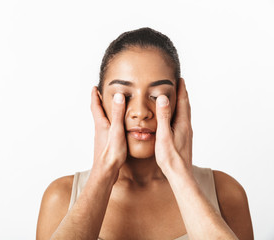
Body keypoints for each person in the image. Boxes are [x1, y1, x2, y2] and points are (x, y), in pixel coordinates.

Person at [36, 27, 254, 240]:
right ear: (99, 102)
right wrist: (104, 171)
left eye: (158, 95)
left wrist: (176, 169)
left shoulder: (227, 194)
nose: (140, 112)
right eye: (123, 95)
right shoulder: (60, 199)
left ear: (179, 101)